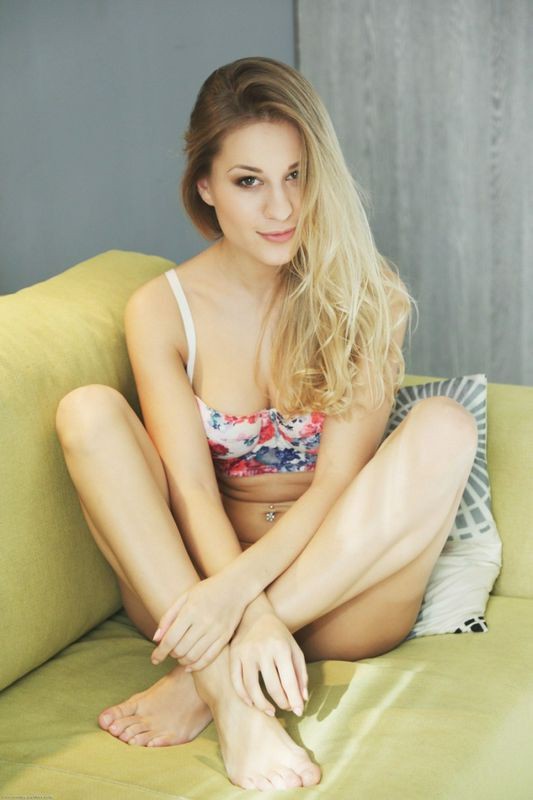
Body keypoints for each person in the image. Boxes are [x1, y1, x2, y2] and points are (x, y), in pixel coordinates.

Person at [55, 56, 478, 792]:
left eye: (296, 176)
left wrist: (240, 608)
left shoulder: (367, 296)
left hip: (339, 594)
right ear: (205, 186)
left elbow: (338, 483)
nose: (281, 208)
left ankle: (203, 682)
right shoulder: (163, 309)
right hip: (191, 587)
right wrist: (233, 605)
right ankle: (235, 703)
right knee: (85, 412)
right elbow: (190, 489)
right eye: (249, 181)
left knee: (445, 425)